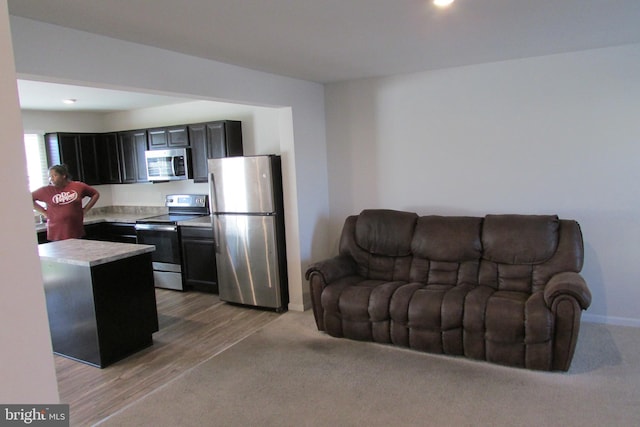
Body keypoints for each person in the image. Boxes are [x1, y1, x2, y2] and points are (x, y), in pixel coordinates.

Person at [32, 164, 100, 241]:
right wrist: (43, 212)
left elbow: (95, 194)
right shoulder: (45, 190)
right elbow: (29, 198)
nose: (51, 179)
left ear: (63, 175)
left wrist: (85, 209)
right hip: (56, 234)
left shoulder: (78, 186)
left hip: (76, 231)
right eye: (50, 177)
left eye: (54, 175)